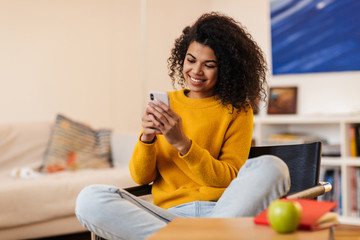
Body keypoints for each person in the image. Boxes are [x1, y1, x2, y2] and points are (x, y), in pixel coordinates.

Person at [75, 12, 290, 240]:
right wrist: (146, 139)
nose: (196, 71)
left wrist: (183, 144)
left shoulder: (237, 110)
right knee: (90, 198)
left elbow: (229, 177)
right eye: (191, 60)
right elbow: (140, 177)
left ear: (226, 69)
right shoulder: (165, 104)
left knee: (272, 167)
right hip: (167, 218)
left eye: (209, 65)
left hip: (222, 212)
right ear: (182, 57)